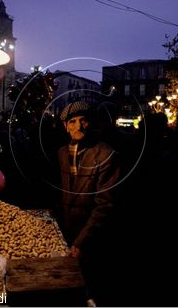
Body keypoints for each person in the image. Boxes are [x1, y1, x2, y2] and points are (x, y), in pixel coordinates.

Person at [56, 100, 120, 304]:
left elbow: (105, 205)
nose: (78, 126)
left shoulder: (106, 155)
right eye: (72, 121)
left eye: (83, 120)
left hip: (92, 238)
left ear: (90, 123)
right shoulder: (62, 153)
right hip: (66, 233)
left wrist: (81, 242)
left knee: (92, 287)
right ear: (66, 127)